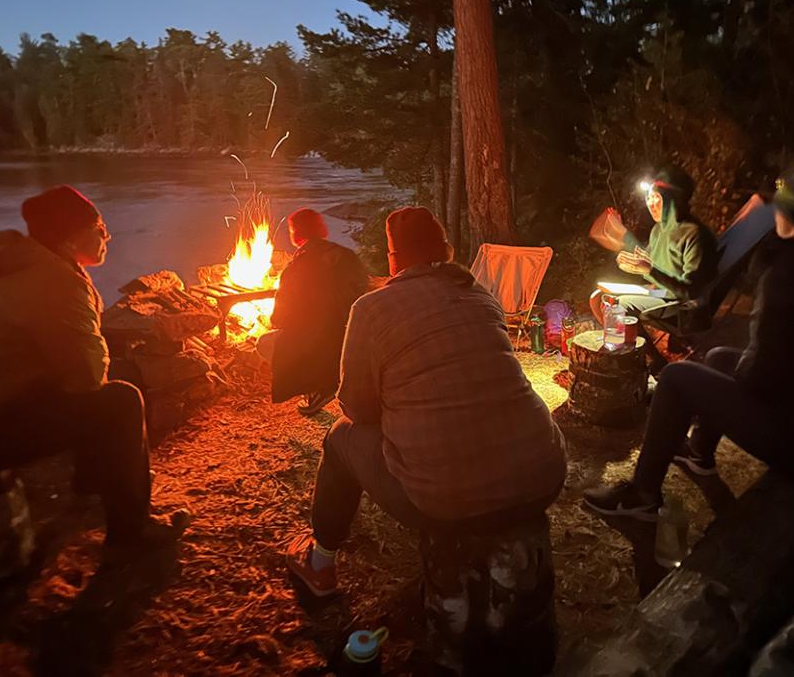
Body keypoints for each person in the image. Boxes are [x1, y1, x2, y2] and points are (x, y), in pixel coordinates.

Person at [285, 206, 567, 596]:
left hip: (444, 501)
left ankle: (319, 563)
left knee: (340, 438)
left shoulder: (371, 308)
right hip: (543, 474)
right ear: (446, 250)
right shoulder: (481, 297)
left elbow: (356, 408)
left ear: (393, 259)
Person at [582, 163, 794, 519]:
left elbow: (761, 376)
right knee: (720, 357)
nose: (775, 213)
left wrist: (722, 388)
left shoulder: (789, 276)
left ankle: (642, 495)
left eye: (781, 206)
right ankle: (699, 453)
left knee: (676, 378)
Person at [0, 185, 188, 561]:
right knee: (122, 400)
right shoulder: (56, 282)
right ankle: (130, 534)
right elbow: (88, 378)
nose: (107, 236)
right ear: (71, 238)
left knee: (111, 377)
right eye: (99, 228)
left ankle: (94, 482)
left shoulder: (25, 264)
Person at [256, 208, 367, 416]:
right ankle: (334, 376)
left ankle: (317, 386)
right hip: (353, 335)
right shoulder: (347, 256)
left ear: (296, 234)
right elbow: (363, 290)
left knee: (264, 342)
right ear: (321, 228)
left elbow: (280, 317)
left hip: (318, 343)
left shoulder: (295, 268)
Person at [590, 166, 717, 326]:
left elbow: (690, 291)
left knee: (619, 305)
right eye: (648, 197)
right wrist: (623, 238)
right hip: (661, 292)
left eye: (655, 197)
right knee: (598, 297)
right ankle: (635, 341)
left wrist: (649, 270)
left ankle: (631, 343)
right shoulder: (658, 231)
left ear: (673, 199)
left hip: (681, 304)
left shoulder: (693, 234)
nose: (650, 204)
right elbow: (650, 261)